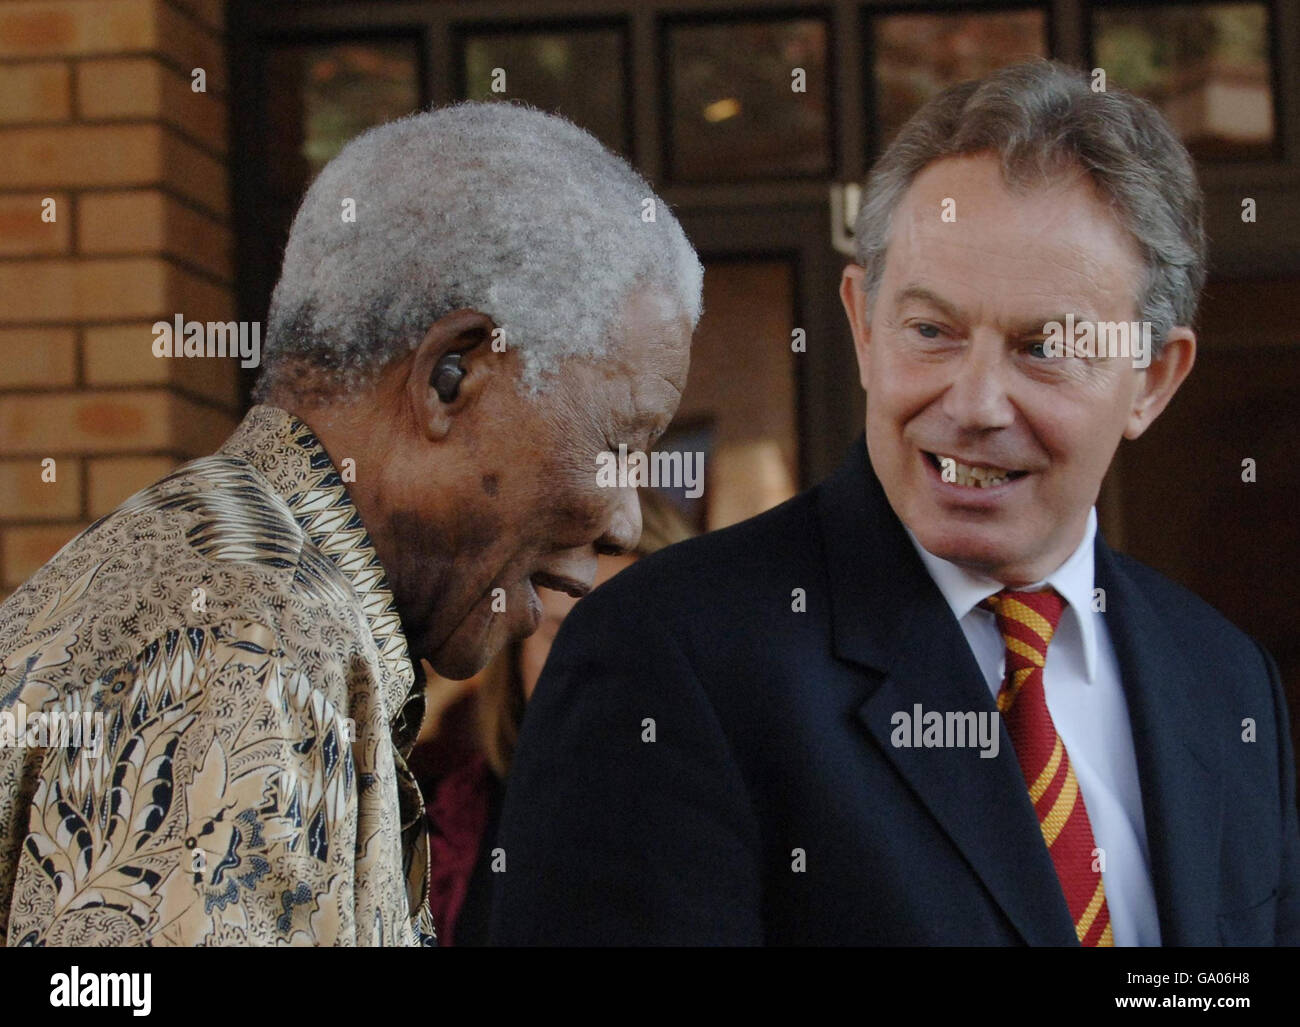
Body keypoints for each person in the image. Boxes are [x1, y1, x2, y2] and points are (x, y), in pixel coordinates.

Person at [490, 61, 1300, 946]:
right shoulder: (666, 658)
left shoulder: (1223, 681)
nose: (974, 403)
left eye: (1042, 347)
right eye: (932, 332)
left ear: (1151, 380)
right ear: (863, 327)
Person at [0, 102, 700, 946]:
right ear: (453, 375)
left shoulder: (231, 579)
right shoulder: (247, 643)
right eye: (619, 440)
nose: (625, 519)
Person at [412, 490, 695, 945]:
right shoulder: (439, 821)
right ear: (519, 648)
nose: (592, 668)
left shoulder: (728, 813)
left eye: (630, 639)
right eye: (563, 635)